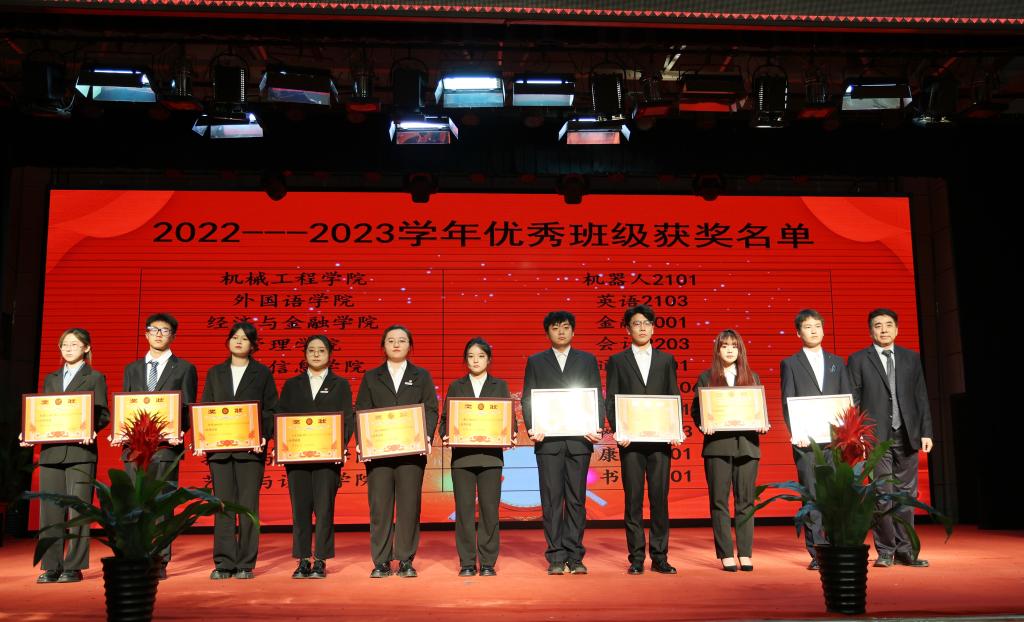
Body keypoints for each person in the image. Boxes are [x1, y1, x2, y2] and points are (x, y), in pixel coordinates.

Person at [847, 308, 933, 568]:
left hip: (907, 434)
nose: (883, 330)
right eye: (878, 325)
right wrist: (857, 435)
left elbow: (921, 397)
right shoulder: (858, 359)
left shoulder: (911, 358)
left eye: (888, 325)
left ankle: (906, 550)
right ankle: (885, 550)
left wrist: (926, 431)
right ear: (870, 331)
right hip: (875, 437)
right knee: (882, 493)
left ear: (896, 329)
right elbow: (854, 400)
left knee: (906, 495)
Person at [521, 310, 604, 575]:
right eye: (555, 327)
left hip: (579, 442)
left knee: (577, 500)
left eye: (566, 327)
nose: (561, 332)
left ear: (573, 331)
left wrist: (597, 425)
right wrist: (533, 427)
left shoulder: (587, 360)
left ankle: (575, 555)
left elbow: (596, 396)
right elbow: (528, 398)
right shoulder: (536, 361)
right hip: (548, 443)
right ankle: (556, 556)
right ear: (547, 332)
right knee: (551, 501)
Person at [355, 325, 439, 578]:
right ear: (383, 346)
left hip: (411, 453)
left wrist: (426, 436)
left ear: (409, 346)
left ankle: (405, 559)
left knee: (409, 507)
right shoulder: (372, 377)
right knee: (380, 508)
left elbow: (431, 408)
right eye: (391, 340)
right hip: (378, 454)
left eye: (402, 340)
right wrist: (362, 441)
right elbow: (361, 410)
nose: (396, 344)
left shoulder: (421, 375)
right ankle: (381, 561)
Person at [198, 321, 279, 580]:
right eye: (234, 337)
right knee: (222, 505)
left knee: (247, 506)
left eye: (245, 338)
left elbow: (271, 409)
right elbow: (206, 407)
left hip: (251, 451)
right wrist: (202, 437)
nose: (239, 341)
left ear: (253, 345)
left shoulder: (262, 373)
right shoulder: (215, 373)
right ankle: (224, 562)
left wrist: (264, 435)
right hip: (220, 451)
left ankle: (245, 563)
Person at [119, 312, 197, 580]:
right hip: (134, 448)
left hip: (165, 448)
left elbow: (187, 408)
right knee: (134, 503)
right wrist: (120, 432)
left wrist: (179, 431)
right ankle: (135, 556)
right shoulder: (132, 369)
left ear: (173, 336)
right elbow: (125, 405)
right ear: (146, 334)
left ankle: (159, 560)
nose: (159, 334)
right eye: (154, 329)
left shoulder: (185, 368)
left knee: (162, 505)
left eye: (165, 330)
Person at [605, 304, 680, 575]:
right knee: (633, 500)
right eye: (636, 323)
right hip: (631, 443)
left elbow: (673, 396)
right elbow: (611, 399)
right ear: (628, 329)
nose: (642, 328)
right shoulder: (617, 360)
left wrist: (675, 428)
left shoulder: (666, 360)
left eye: (647, 323)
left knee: (660, 500)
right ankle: (636, 558)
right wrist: (619, 431)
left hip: (660, 442)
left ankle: (660, 557)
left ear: (653, 328)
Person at [31, 328, 110, 583]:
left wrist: (92, 430)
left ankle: (73, 567)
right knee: (50, 511)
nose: (68, 348)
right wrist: (31, 431)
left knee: (79, 511)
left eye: (74, 344)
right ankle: (50, 566)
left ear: (86, 348)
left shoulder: (95, 377)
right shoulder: (51, 378)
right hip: (51, 452)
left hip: (81, 451)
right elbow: (42, 413)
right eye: (64, 344)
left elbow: (103, 414)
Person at [276, 335, 354, 580]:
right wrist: (282, 445)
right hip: (297, 458)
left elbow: (347, 419)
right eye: (311, 350)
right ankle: (302, 560)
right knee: (300, 510)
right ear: (305, 354)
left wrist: (340, 445)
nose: (316, 354)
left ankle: (320, 559)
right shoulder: (292, 385)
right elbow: (281, 417)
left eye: (321, 350)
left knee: (324, 509)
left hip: (328, 458)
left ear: (330, 354)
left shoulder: (340, 384)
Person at [780, 309, 853, 570]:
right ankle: (818, 552)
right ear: (798, 333)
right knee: (811, 495)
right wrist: (797, 431)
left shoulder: (838, 362)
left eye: (818, 326)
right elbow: (788, 401)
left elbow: (846, 399)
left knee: (835, 494)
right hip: (806, 442)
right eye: (808, 327)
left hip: (835, 442)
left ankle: (837, 546)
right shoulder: (790, 363)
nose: (814, 331)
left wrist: (848, 433)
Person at [693, 329, 768, 572]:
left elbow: (759, 411)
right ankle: (726, 553)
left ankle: (745, 553)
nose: (729, 350)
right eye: (724, 346)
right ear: (717, 350)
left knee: (746, 501)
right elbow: (697, 411)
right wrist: (704, 424)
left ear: (740, 350)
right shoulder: (706, 378)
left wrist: (762, 423)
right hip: (717, 447)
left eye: (734, 346)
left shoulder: (752, 377)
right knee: (719, 501)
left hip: (747, 446)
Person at [439, 337, 514, 577]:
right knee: (464, 511)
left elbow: (508, 418)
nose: (476, 360)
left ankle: (488, 562)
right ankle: (468, 562)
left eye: (481, 356)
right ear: (465, 360)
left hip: (491, 458)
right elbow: (445, 420)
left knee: (490, 511)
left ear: (488, 359)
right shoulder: (456, 386)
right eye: (471, 356)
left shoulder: (500, 385)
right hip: (462, 459)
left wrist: (510, 434)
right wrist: (445, 434)